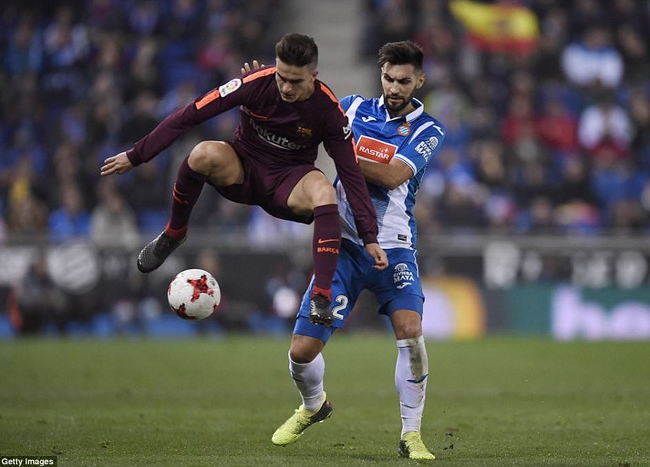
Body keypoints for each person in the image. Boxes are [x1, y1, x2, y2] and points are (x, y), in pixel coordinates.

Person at [101, 33, 388, 324]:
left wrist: (369, 236)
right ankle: (174, 233)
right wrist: (137, 155)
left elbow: (350, 172)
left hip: (288, 183)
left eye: (296, 81)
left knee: (325, 191)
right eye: (281, 77)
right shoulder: (255, 83)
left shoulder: (328, 110)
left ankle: (321, 296)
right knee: (201, 153)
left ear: (313, 75)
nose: (286, 87)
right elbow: (191, 113)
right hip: (243, 169)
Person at [265, 41, 446, 460]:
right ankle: (314, 405)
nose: (394, 87)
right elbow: (297, 112)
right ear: (379, 74)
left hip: (394, 247)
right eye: (388, 78)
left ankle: (412, 434)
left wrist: (340, 146)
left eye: (404, 81)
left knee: (411, 334)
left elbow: (391, 174)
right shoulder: (350, 107)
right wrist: (268, 86)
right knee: (300, 352)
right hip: (343, 244)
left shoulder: (428, 129)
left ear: (419, 80)